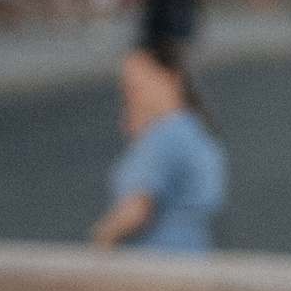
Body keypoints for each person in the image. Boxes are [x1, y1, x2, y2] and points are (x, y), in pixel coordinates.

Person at [90, 39, 227, 253]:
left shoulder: (165, 137)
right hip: (190, 255)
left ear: (169, 78)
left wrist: (103, 239)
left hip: (156, 265)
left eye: (136, 87)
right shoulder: (192, 130)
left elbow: (137, 209)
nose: (130, 95)